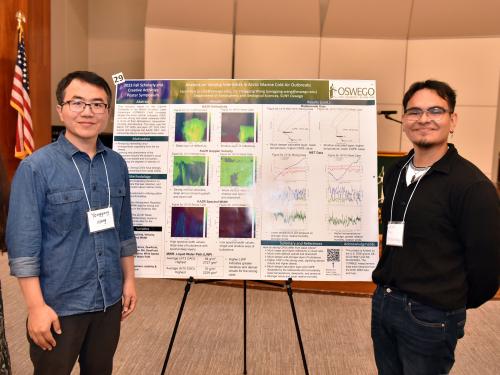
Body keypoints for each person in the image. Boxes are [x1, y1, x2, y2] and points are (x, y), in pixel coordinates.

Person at [6, 71, 137, 374]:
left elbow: (124, 228)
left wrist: (128, 279)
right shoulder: (36, 168)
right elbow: (23, 247)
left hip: (108, 301)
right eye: (77, 102)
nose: (88, 112)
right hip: (59, 305)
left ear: (107, 112)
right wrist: (36, 308)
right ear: (61, 109)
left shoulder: (116, 164)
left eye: (98, 104)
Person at [371, 79, 499, 374]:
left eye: (435, 111)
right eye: (414, 112)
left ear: (452, 120)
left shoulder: (472, 187)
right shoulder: (395, 172)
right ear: (404, 120)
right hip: (384, 303)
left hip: (431, 316)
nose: (424, 119)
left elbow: (487, 271)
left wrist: (447, 302)